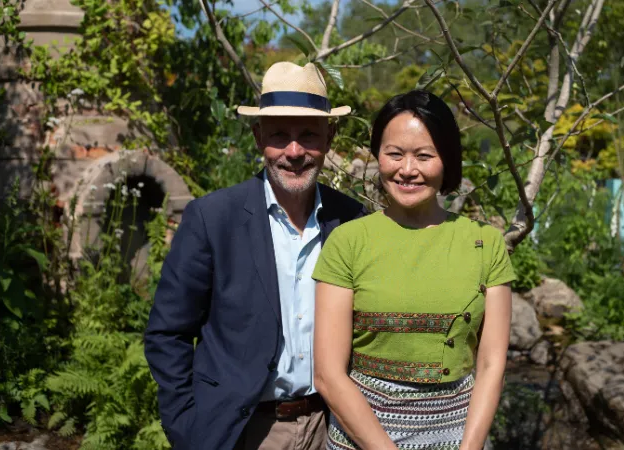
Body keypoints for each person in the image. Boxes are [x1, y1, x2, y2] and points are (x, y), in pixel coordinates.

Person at [144, 61, 366, 450]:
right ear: (257, 136)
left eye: (308, 135)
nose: (294, 151)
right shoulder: (213, 219)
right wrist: (187, 429)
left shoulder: (351, 220)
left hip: (334, 428)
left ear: (329, 137)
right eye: (279, 135)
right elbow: (168, 333)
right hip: (245, 432)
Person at [312, 90, 516, 450]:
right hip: (362, 439)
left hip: (459, 437)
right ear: (378, 156)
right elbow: (329, 375)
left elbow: (490, 365)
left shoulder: (485, 243)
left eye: (424, 156)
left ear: (447, 161)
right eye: (394, 154)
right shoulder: (348, 242)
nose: (407, 170)